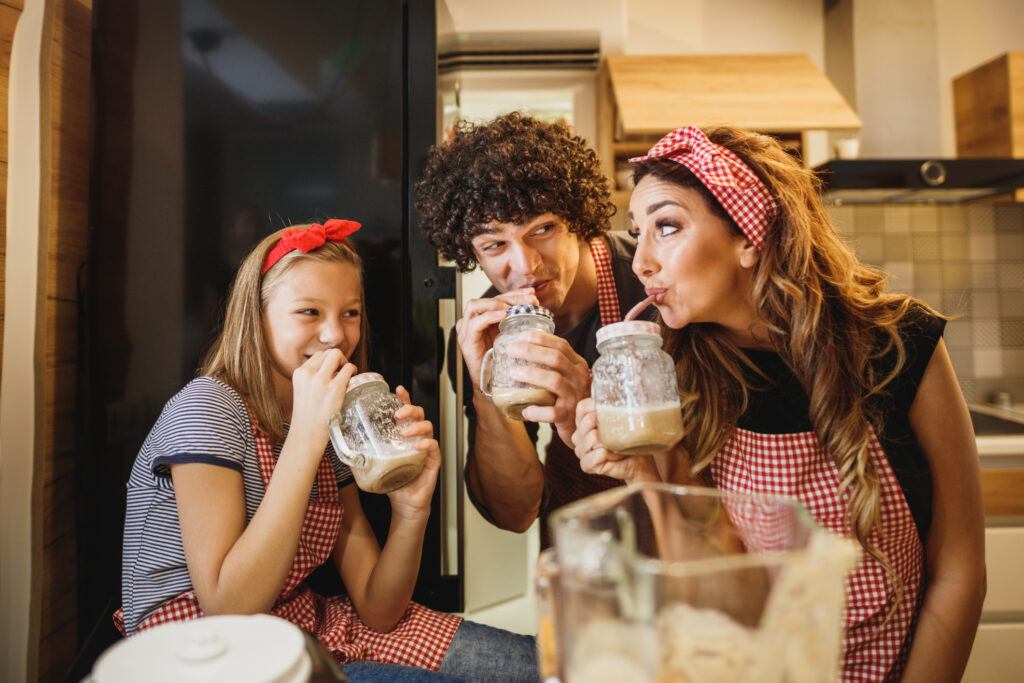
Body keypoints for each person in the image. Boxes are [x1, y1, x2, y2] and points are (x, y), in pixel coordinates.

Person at [572, 126, 986, 681]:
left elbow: (959, 572)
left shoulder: (897, 341)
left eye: (666, 227)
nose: (641, 262)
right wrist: (641, 472)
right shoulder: (675, 378)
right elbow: (714, 594)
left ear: (748, 236)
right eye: (636, 233)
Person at [117, 220, 537, 681]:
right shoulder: (207, 409)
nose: (336, 335)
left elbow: (379, 610)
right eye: (309, 313)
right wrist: (307, 436)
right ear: (256, 318)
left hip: (308, 628)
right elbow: (228, 608)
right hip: (201, 654)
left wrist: (412, 510)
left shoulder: (331, 419)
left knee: (542, 663)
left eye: (351, 313)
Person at [414, 112, 651, 543]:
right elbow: (515, 512)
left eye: (542, 229)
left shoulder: (651, 279)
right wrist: (486, 386)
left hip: (690, 528)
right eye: (494, 244)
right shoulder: (482, 338)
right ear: (471, 253)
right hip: (582, 554)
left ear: (576, 218)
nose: (525, 266)